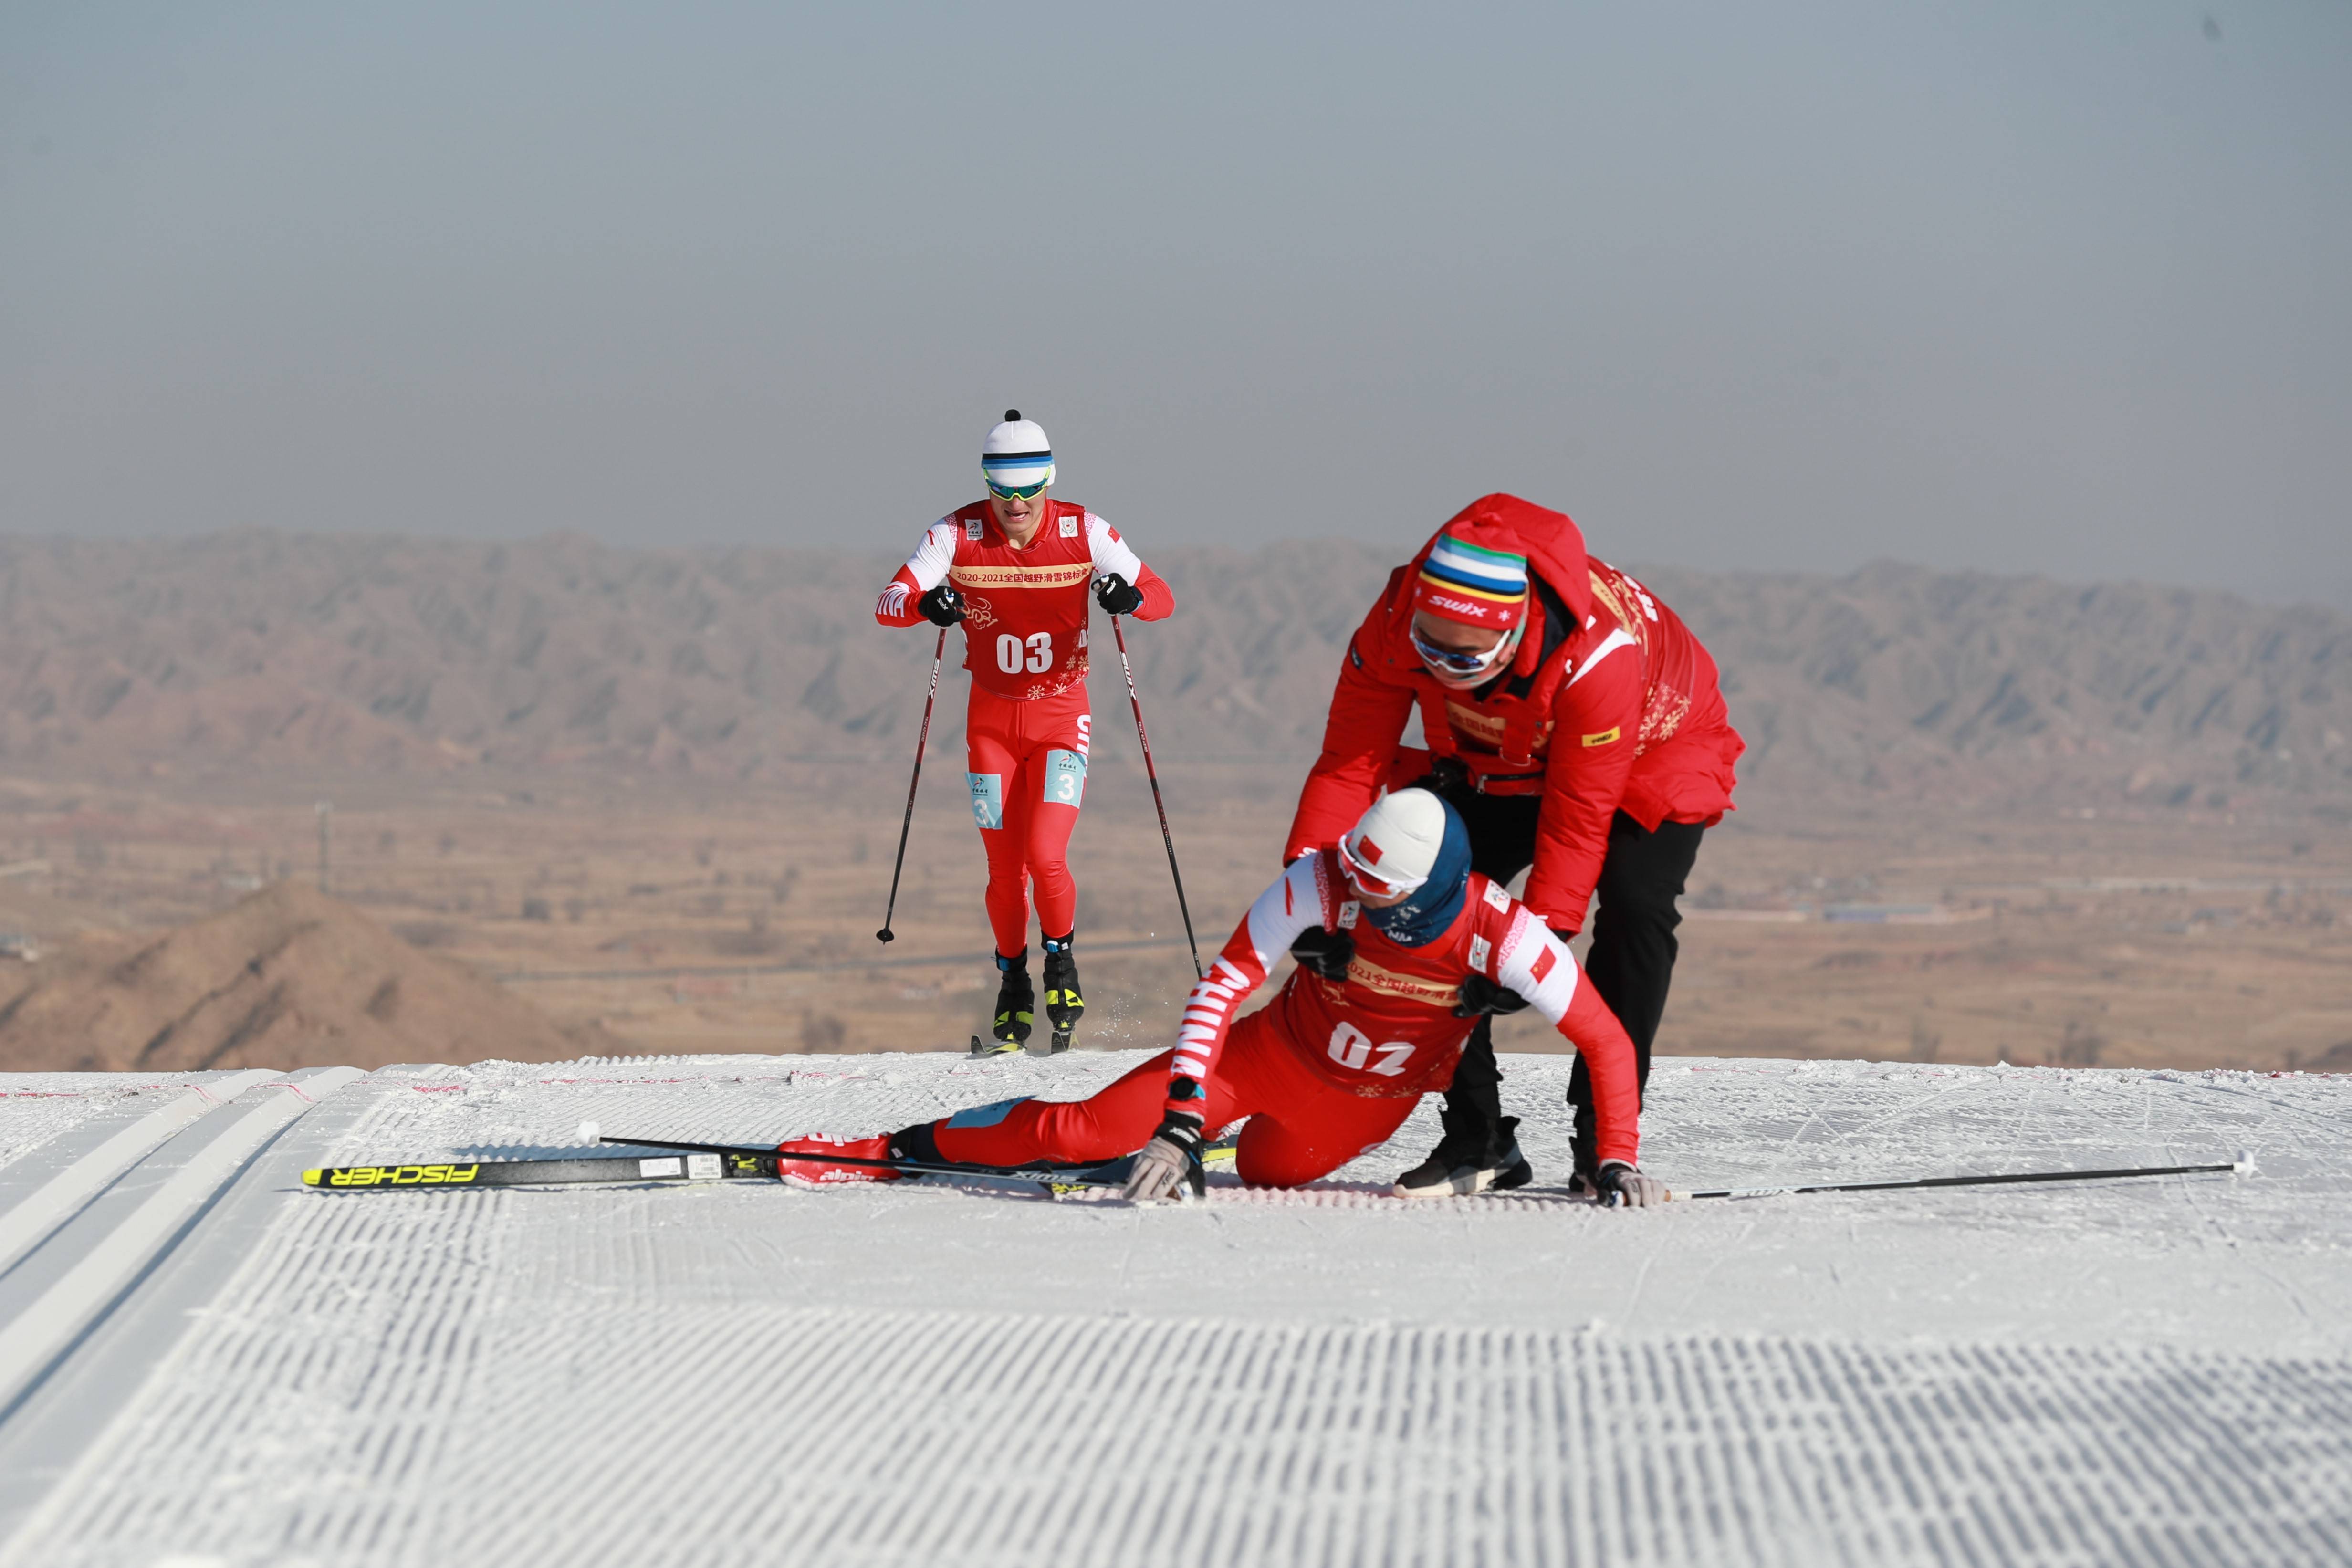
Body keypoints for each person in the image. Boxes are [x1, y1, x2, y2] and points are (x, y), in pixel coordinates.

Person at [773, 790, 1667, 1207]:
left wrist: (1616, 1156)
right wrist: (1182, 1115)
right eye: (1348, 872)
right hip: (1264, 1057)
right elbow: (1223, 985)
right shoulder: (1322, 881)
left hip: (1359, 1106)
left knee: (1270, 1175)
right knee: (1081, 1131)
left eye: (1373, 888)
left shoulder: (1505, 935)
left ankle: (1177, 1145)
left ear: (1425, 894)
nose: (1348, 892)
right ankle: (882, 1149)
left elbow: (1608, 1041)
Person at [1284, 494, 1741, 1196]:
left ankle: (1602, 1144)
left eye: (1459, 654)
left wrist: (1542, 940)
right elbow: (1349, 761)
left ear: (1513, 629)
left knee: (1633, 911)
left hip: (1652, 749)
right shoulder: (1392, 625)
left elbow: (1577, 815)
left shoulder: (1597, 659)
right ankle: (1478, 1139)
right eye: (1424, 646)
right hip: (1498, 756)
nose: (1435, 665)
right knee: (1421, 904)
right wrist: (1310, 898)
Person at [875, 411, 1174, 1053]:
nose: (1016, 501)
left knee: (1046, 855)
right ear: (984, 481)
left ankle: (1060, 962)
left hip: (1061, 715)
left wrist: (1129, 598)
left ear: (1050, 479)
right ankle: (1013, 980)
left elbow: (1161, 596)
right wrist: (925, 604)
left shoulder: (1084, 529)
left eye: (1029, 485)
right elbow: (888, 603)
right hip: (990, 723)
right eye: (1001, 485)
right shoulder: (954, 533)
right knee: (1003, 868)